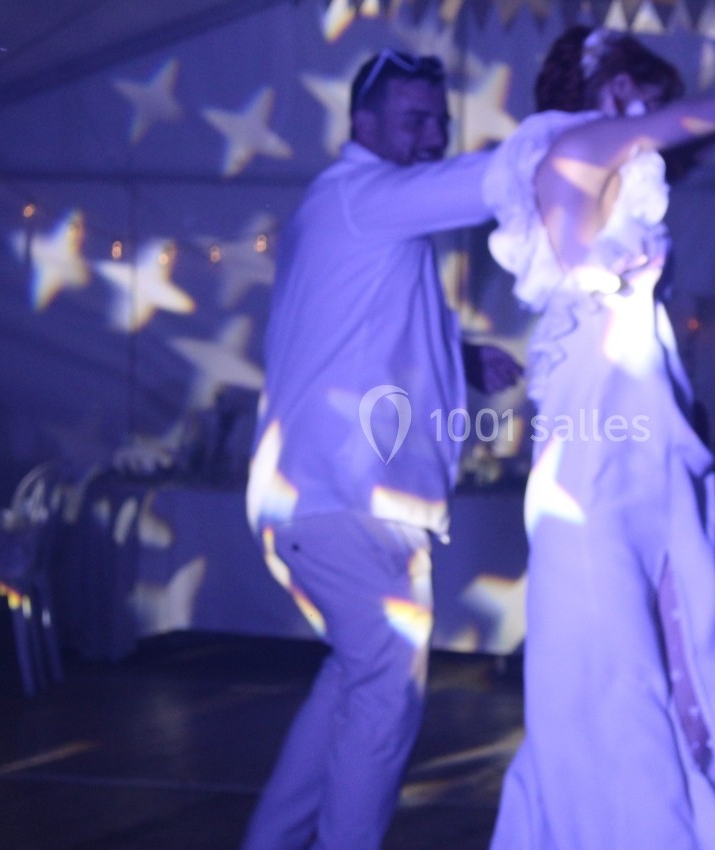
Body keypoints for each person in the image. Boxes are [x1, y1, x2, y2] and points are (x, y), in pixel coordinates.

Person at [483, 26, 715, 849]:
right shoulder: (575, 145)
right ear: (599, 84)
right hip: (594, 467)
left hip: (642, 449)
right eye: (636, 91)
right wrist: (658, 117)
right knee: (611, 685)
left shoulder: (602, 166)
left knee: (681, 666)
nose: (647, 109)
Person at [242, 49, 521, 850]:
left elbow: (357, 330)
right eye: (414, 119)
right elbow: (499, 177)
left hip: (338, 501)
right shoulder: (365, 194)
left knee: (353, 681)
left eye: (438, 120)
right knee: (386, 696)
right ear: (361, 126)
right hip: (342, 501)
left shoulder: (354, 215)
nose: (432, 134)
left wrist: (462, 356)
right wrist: (603, 136)